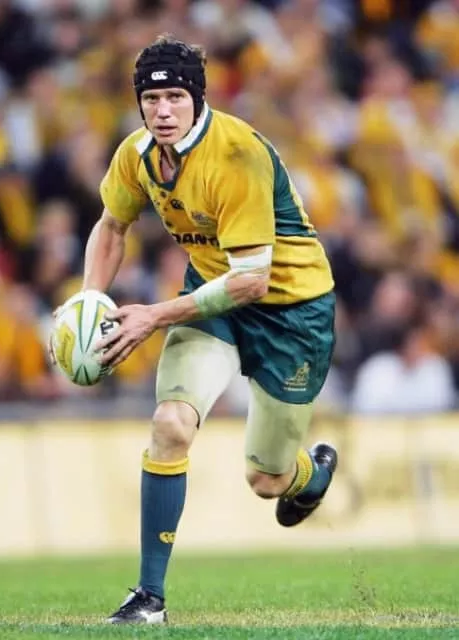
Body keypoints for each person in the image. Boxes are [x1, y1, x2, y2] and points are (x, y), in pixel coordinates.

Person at [78, 33, 338, 624]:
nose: (162, 110)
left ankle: (311, 472)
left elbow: (252, 281)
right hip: (212, 297)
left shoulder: (236, 155)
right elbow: (111, 226)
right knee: (170, 424)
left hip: (292, 310)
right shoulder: (136, 154)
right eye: (151, 99)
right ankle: (149, 599)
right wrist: (90, 300)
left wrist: (152, 316)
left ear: (198, 98)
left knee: (266, 479)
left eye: (174, 96)